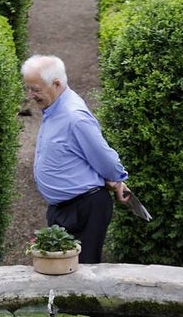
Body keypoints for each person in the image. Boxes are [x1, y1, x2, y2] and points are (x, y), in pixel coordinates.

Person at [22, 54, 129, 264]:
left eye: (35, 89)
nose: (30, 95)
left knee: (82, 273)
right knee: (62, 272)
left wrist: (117, 179)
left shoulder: (74, 116)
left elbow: (105, 158)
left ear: (57, 84)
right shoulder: (53, 108)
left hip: (84, 208)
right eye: (28, 88)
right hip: (65, 208)